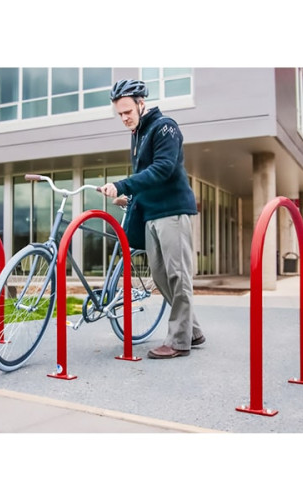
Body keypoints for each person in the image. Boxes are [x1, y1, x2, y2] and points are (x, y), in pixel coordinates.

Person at [101, 79, 205, 359]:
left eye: (127, 112)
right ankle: (192, 330)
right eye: (119, 114)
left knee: (178, 275)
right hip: (151, 215)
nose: (124, 118)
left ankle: (179, 341)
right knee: (160, 276)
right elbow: (148, 180)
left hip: (173, 212)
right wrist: (131, 198)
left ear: (141, 103)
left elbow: (163, 169)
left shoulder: (165, 127)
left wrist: (124, 185)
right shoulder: (137, 134)